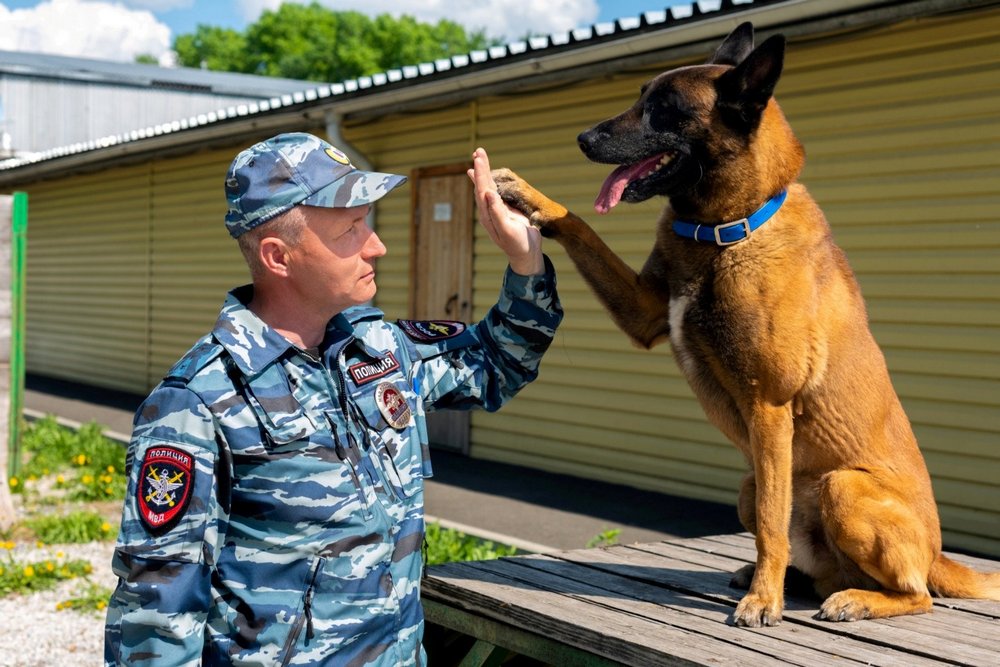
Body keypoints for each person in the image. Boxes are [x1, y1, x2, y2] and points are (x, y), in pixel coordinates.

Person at [104, 132, 562, 666]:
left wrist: (525, 262)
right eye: (351, 228)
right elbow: (158, 608)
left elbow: (496, 363)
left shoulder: (381, 349)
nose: (376, 245)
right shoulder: (199, 400)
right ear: (279, 256)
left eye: (368, 222)